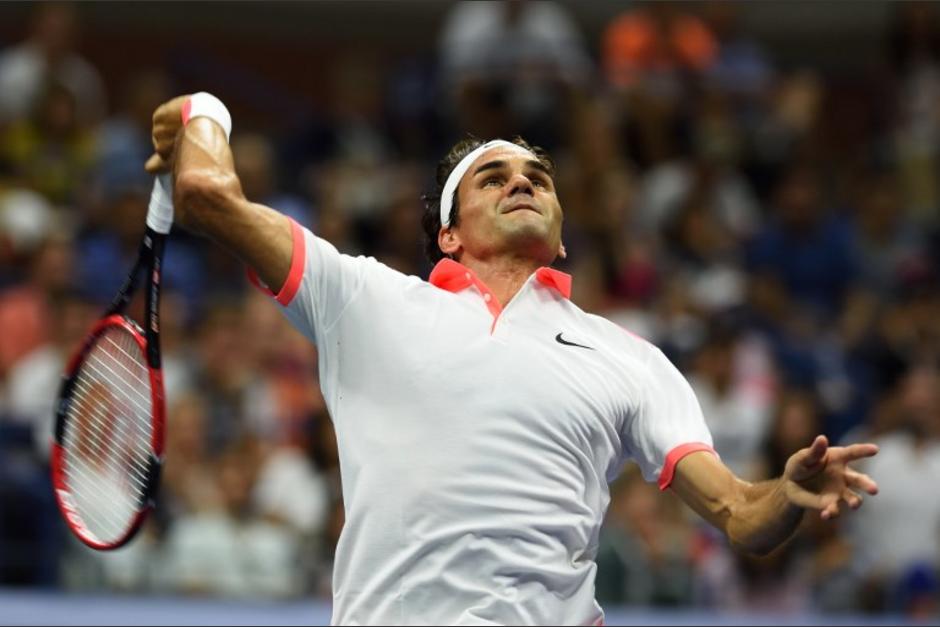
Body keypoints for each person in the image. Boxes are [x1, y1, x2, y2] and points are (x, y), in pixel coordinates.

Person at [145, 92, 880, 626]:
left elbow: (740, 513)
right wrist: (204, 110)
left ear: (560, 236)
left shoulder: (631, 358)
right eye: (492, 178)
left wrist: (786, 493)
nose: (522, 181)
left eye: (538, 176)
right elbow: (207, 195)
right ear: (449, 235)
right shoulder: (364, 299)